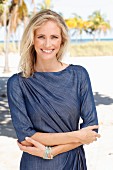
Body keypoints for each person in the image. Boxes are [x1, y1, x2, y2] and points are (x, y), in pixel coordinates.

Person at [7, 9, 100, 170]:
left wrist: (50, 151)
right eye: (41, 37)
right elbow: (26, 136)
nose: (48, 44)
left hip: (72, 163)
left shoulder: (78, 75)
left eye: (54, 37)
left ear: (62, 41)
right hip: (35, 165)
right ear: (32, 39)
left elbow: (91, 131)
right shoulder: (17, 83)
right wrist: (77, 136)